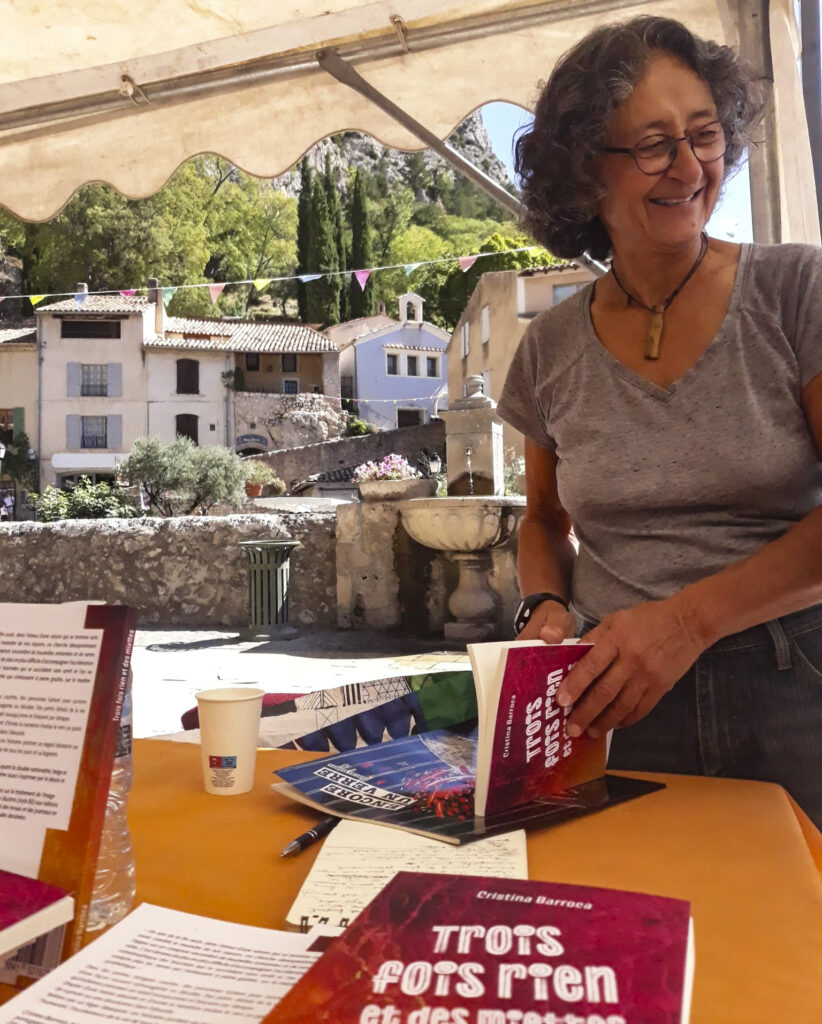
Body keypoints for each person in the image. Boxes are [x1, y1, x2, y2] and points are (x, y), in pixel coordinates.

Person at [497, 15, 822, 826]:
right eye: (652, 143)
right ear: (584, 174)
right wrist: (543, 607)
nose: (690, 165)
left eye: (704, 133)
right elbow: (542, 518)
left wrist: (685, 623)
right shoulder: (549, 348)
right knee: (636, 923)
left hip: (795, 680)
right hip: (612, 697)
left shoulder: (796, 292)